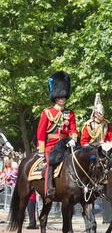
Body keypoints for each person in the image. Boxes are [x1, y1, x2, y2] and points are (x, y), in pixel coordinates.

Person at [36, 71, 78, 203]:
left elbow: (73, 129)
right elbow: (41, 132)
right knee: (50, 162)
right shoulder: (47, 112)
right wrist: (41, 150)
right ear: (55, 97)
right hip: (52, 146)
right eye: (60, 97)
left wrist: (73, 139)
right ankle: (48, 189)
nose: (62, 99)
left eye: (64, 97)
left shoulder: (69, 113)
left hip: (66, 144)